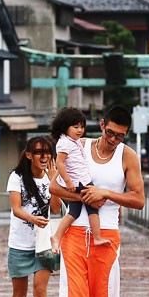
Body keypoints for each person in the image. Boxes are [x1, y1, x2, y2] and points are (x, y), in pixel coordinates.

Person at [49, 105, 145, 297]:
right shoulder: (78, 145)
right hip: (76, 233)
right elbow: (54, 186)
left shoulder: (128, 156)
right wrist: (82, 195)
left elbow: (139, 199)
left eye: (121, 136)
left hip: (107, 235)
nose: (114, 140)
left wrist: (104, 193)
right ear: (102, 125)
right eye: (111, 133)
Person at [6, 135, 61, 297]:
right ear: (28, 155)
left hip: (43, 243)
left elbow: (56, 208)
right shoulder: (16, 177)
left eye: (47, 152)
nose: (44, 156)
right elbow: (16, 209)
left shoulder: (51, 178)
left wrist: (55, 182)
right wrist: (33, 218)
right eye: (38, 152)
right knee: (19, 294)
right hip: (20, 242)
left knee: (40, 290)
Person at [49, 107, 109, 251]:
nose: (80, 130)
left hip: (79, 179)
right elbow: (59, 163)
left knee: (73, 212)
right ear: (64, 127)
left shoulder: (71, 141)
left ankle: (57, 236)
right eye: (75, 127)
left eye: (82, 127)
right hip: (80, 181)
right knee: (93, 208)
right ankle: (97, 237)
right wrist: (68, 181)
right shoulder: (64, 143)